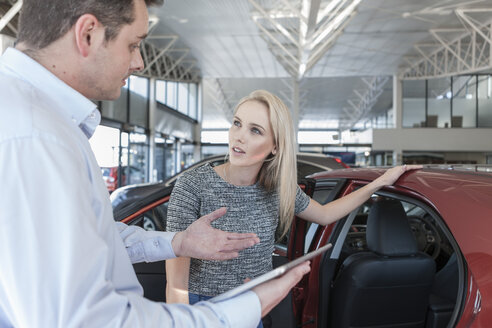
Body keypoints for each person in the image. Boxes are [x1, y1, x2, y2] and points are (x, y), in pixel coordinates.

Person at [0, 1, 312, 327]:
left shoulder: (35, 120)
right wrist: (245, 308)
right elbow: (87, 320)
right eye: (133, 44)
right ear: (88, 34)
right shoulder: (35, 137)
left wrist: (177, 242)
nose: (139, 62)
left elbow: (92, 237)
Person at [165, 90, 422, 326]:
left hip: (253, 308)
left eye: (256, 130)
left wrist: (379, 183)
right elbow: (176, 285)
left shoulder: (276, 189)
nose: (239, 136)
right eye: (237, 123)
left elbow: (325, 214)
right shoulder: (192, 185)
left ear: (275, 146)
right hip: (202, 309)